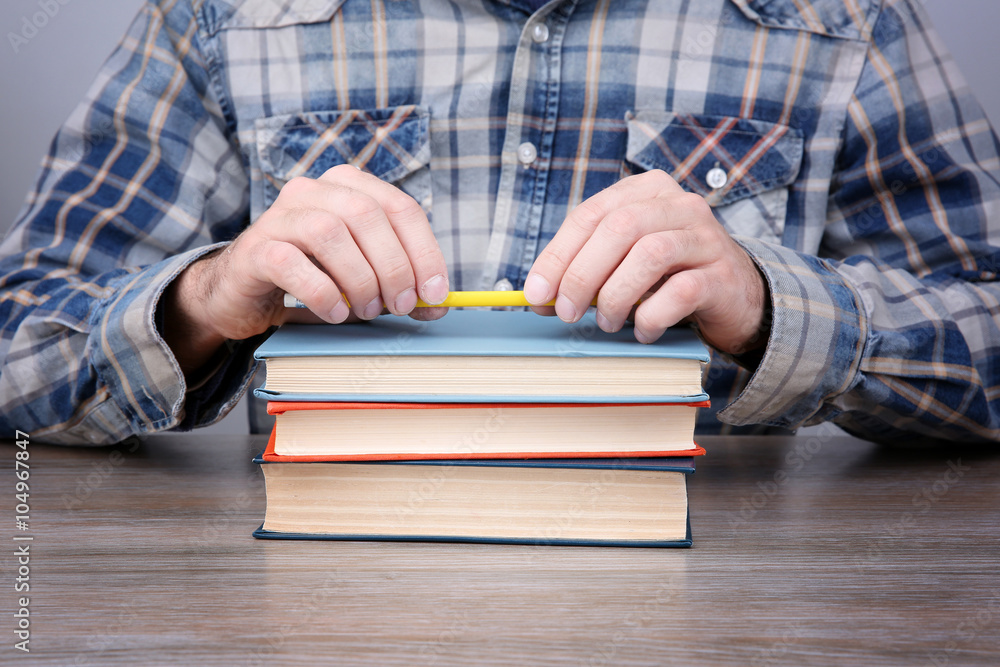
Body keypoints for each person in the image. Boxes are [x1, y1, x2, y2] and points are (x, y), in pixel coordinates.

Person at [1, 0, 998, 446]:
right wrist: (207, 298)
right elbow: (18, 351)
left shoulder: (841, 18)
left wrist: (775, 305)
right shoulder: (220, 14)